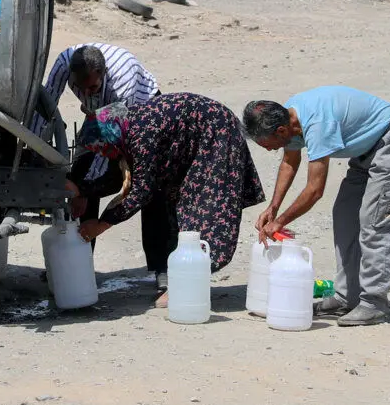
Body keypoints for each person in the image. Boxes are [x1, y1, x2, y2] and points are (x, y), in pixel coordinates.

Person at [243, 87, 390, 327]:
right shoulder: (290, 115)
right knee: (345, 216)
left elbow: (314, 190)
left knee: (376, 219)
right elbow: (290, 161)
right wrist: (273, 208)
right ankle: (347, 297)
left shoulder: (318, 125)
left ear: (282, 130)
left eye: (267, 144)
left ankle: (373, 303)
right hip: (366, 150)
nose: (268, 149)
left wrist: (280, 222)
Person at [73, 94, 267, 306]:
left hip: (216, 135)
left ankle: (185, 285)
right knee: (179, 209)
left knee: (205, 211)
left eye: (103, 148)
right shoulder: (126, 129)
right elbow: (120, 177)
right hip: (199, 139)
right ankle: (185, 281)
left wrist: (102, 224)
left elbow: (141, 191)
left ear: (110, 135)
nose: (105, 154)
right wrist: (81, 190)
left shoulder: (141, 135)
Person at [29, 44, 172, 292]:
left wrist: (85, 189)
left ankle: (163, 268)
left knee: (150, 187)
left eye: (92, 87)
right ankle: (77, 261)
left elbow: (110, 142)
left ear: (104, 73)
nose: (85, 93)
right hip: (99, 114)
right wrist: (31, 148)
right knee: (79, 177)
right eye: (80, 87)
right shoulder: (64, 63)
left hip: (142, 115)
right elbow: (45, 103)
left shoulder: (123, 79)